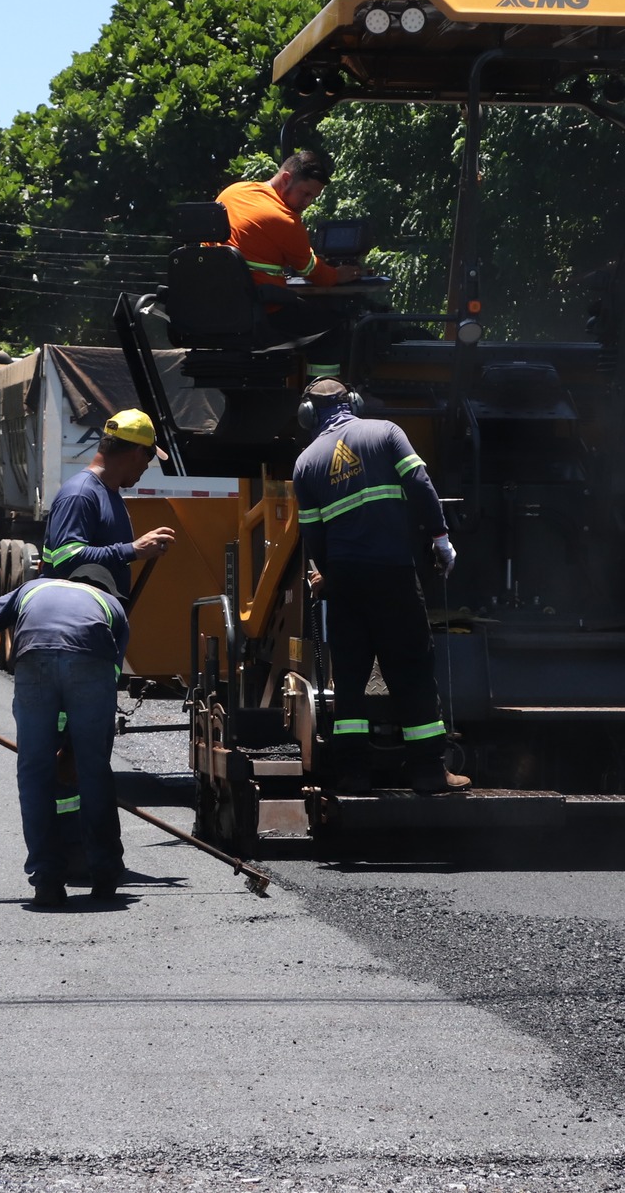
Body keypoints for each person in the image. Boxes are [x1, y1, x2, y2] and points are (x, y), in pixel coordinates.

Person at [291, 378, 469, 795]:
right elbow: (421, 485)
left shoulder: (305, 463)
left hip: (346, 583)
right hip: (392, 575)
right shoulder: (386, 432)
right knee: (410, 669)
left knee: (350, 677)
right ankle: (428, 771)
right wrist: (440, 538)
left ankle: (353, 775)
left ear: (307, 415)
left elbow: (312, 535)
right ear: (351, 402)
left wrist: (328, 576)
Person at [0, 562, 131, 907]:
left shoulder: (30, 590)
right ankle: (105, 876)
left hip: (34, 658)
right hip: (91, 663)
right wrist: (75, 752)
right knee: (95, 774)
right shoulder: (114, 608)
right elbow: (106, 680)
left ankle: (47, 881)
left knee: (34, 774)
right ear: (104, 589)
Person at [217, 149, 363, 376]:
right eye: (305, 194)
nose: (307, 203)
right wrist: (339, 274)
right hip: (263, 312)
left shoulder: (231, 193)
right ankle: (324, 400)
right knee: (333, 329)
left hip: (220, 309)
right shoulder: (285, 219)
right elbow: (313, 272)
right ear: (286, 179)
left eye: (312, 198)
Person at [41, 409, 175, 584]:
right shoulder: (80, 494)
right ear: (138, 453)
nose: (147, 466)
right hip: (76, 610)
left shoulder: (108, 493)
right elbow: (66, 558)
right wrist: (134, 550)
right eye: (149, 456)